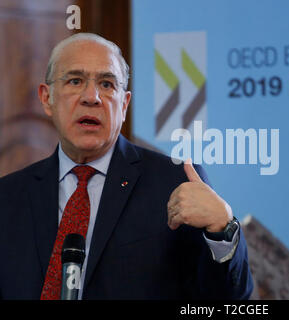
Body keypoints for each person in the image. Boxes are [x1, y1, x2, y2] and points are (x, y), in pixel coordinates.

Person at [0, 33, 253, 300]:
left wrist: (222, 231)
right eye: (75, 81)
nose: (92, 97)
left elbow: (230, 302)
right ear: (46, 98)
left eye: (107, 84)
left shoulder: (175, 183)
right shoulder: (7, 197)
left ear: (124, 104)